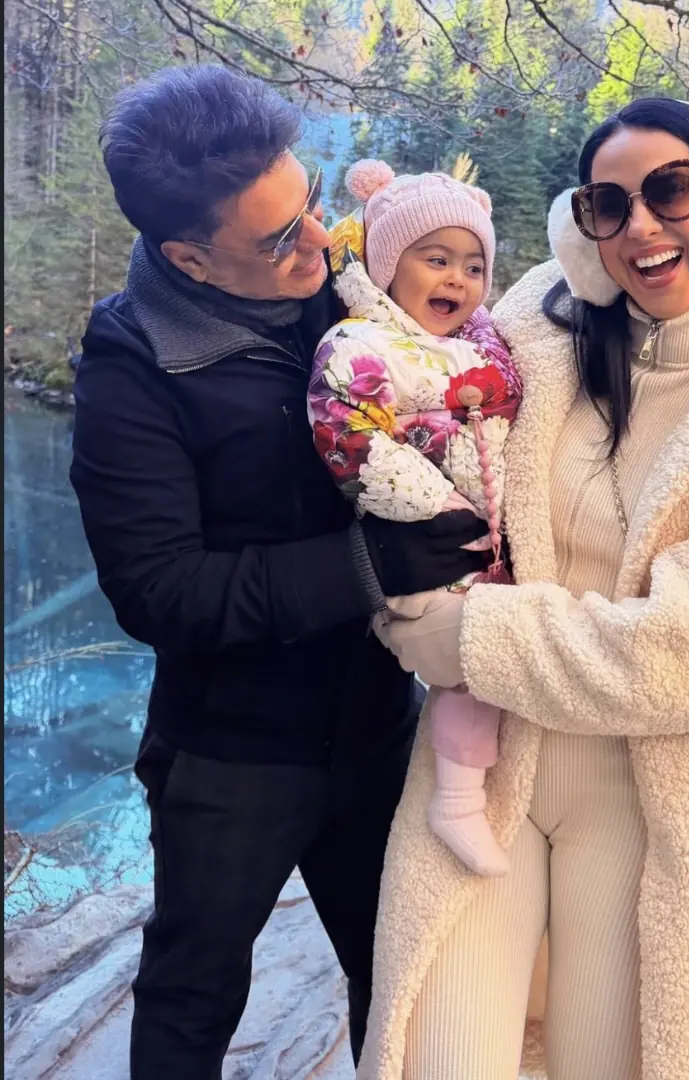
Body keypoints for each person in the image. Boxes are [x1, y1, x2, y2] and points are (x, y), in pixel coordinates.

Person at [355, 97, 689, 1080]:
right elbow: (405, 437)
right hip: (489, 770)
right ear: (579, 229)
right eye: (607, 204)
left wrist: (466, 639)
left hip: (657, 806)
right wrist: (394, 591)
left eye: (671, 191)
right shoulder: (526, 331)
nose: (640, 226)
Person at [68, 66, 491, 1078]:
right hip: (233, 755)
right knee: (192, 993)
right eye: (275, 239)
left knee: (401, 978)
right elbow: (158, 591)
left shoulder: (347, 290)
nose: (317, 241)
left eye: (311, 203)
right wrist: (368, 566)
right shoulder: (133, 365)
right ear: (188, 256)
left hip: (379, 725)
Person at [309, 159, 522, 877]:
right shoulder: (356, 345)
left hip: (484, 551)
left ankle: (465, 794)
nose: (456, 279)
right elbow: (348, 437)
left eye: (472, 266)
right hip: (417, 550)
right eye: (435, 260)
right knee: (474, 663)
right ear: (386, 263)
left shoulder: (477, 345)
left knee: (487, 672)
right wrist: (439, 511)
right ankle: (456, 802)